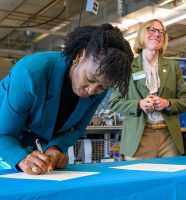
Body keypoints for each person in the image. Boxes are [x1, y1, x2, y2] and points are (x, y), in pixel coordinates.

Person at [0, 24, 133, 174]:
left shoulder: (98, 89)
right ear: (79, 56)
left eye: (102, 87)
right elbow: (4, 134)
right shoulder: (30, 73)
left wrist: (54, 148)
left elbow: (76, 129)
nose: (92, 90)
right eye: (89, 79)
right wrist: (21, 159)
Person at [109, 19, 186, 160]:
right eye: (152, 30)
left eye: (161, 32)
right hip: (139, 138)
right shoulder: (127, 66)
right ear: (141, 34)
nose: (157, 34)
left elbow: (185, 102)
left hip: (169, 138)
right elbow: (114, 102)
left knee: (171, 180)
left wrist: (168, 103)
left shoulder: (173, 66)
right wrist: (139, 104)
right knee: (140, 181)